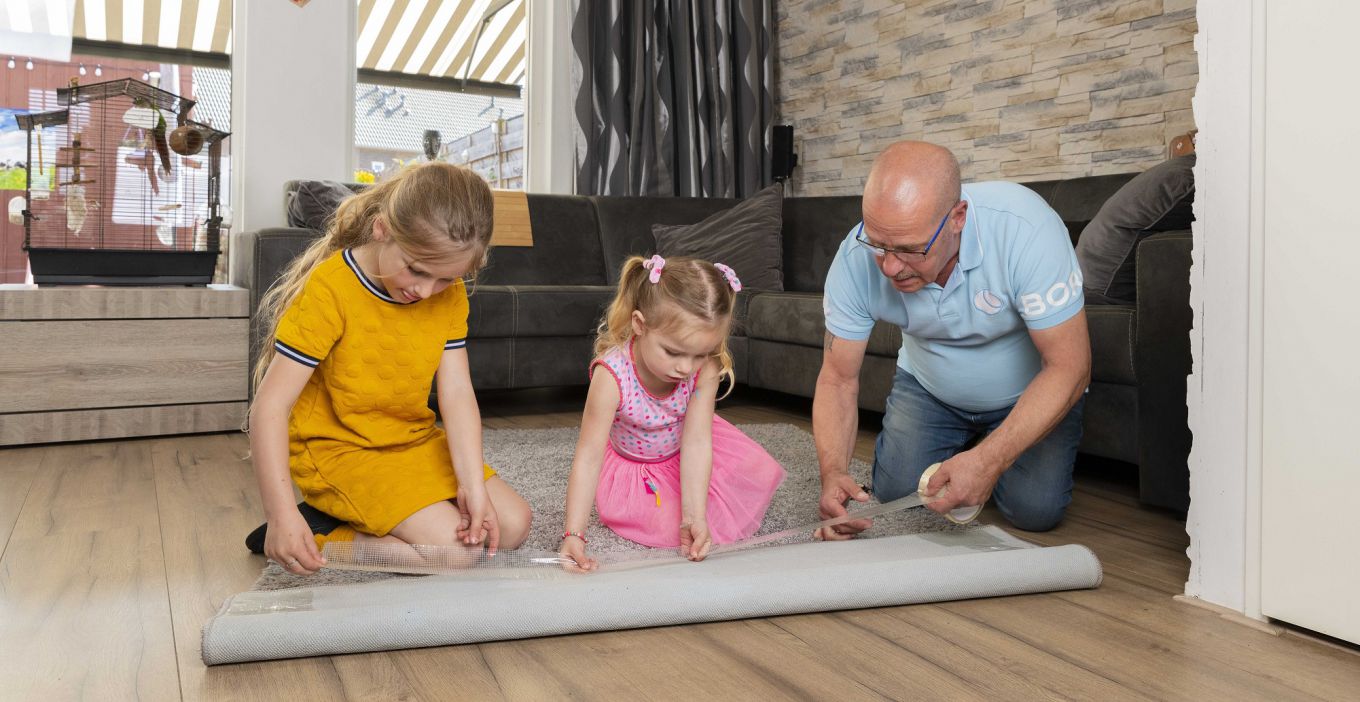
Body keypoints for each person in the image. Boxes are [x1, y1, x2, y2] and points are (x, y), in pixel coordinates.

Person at [244, 162, 532, 576]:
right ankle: (324, 531)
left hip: (409, 439)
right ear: (382, 229)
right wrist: (280, 515)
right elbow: (269, 408)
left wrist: (471, 485)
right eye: (416, 269)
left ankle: (372, 515)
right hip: (340, 451)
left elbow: (456, 395)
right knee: (457, 554)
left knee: (512, 525)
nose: (424, 291)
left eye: (444, 280)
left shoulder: (448, 297)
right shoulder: (331, 289)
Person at [814, 141, 1090, 538]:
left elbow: (1071, 366)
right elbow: (837, 379)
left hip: (1027, 391)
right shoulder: (854, 257)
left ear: (958, 218)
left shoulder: (1026, 228)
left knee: (1035, 511)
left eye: (910, 249)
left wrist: (989, 462)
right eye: (878, 244)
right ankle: (967, 448)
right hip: (929, 390)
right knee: (895, 497)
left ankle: (986, 447)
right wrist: (834, 471)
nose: (890, 266)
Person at [559, 255, 786, 571]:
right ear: (640, 325)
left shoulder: (703, 368)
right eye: (673, 352)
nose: (685, 367)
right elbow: (588, 456)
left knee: (749, 476)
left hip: (683, 451)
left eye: (700, 354)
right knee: (662, 523)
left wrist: (694, 516)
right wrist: (575, 533)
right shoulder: (611, 376)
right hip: (638, 467)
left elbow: (696, 442)